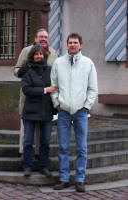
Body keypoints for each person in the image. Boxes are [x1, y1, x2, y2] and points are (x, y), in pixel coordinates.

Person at [51, 33, 98, 192]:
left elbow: (92, 88)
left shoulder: (88, 63)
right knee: (63, 147)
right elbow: (53, 86)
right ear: (67, 45)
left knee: (81, 148)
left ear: (81, 45)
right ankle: (64, 179)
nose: (72, 45)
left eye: (75, 42)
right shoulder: (58, 63)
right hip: (63, 111)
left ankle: (80, 179)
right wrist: (56, 103)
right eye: (70, 42)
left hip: (81, 112)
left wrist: (87, 106)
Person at [14, 28, 58, 156]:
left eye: (45, 37)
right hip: (30, 96)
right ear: (35, 39)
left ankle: (39, 153)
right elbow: (16, 69)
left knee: (42, 129)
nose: (43, 39)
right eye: (41, 37)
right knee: (26, 128)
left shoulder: (53, 53)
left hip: (46, 99)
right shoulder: (26, 51)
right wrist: (21, 72)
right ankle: (24, 152)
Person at [21, 45, 56, 177]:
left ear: (44, 56)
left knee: (45, 141)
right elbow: (27, 90)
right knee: (28, 141)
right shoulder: (27, 71)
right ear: (32, 56)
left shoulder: (50, 70)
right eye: (36, 54)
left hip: (46, 111)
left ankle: (44, 167)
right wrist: (45, 90)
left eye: (41, 54)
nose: (39, 56)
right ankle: (27, 167)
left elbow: (56, 86)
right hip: (30, 112)